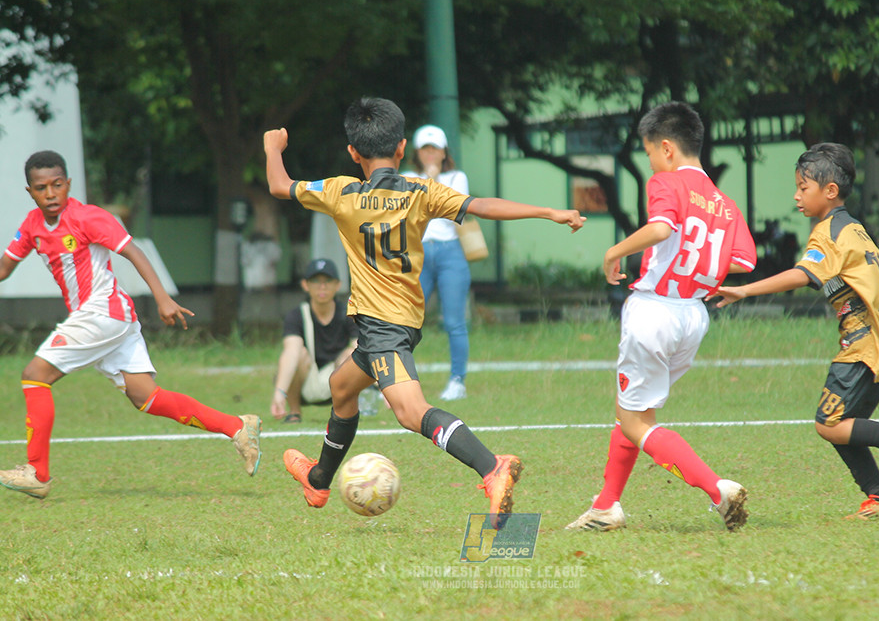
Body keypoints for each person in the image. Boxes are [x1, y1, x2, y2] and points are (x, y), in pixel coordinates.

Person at [263, 97, 584, 521]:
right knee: (342, 389)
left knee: (411, 412)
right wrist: (549, 211)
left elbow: (279, 186)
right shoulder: (420, 192)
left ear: (352, 153)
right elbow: (480, 206)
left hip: (384, 328)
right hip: (397, 323)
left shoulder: (340, 191)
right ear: (401, 148)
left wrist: (272, 148)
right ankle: (319, 481)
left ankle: (493, 467)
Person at [0, 150, 261, 500]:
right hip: (106, 319)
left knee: (35, 374)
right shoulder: (32, 225)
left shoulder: (88, 217)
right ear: (30, 191)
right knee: (146, 397)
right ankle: (237, 427)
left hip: (103, 313)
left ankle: (37, 472)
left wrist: (162, 298)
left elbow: (133, 251)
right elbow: (4, 268)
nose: (50, 193)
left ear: (69, 184)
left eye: (57, 185)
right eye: (41, 187)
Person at [713, 142, 879, 521]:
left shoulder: (829, 232)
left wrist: (744, 289)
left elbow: (802, 274)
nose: (796, 196)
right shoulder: (855, 229)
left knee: (830, 425)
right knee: (844, 425)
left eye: (802, 187)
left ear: (830, 191)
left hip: (862, 344)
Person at [566, 102, 757, 533]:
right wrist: (704, 273)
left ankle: (716, 489)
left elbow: (661, 229)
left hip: (654, 310)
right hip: (694, 315)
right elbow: (745, 261)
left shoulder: (666, 182)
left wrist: (614, 252)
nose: (650, 161)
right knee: (634, 411)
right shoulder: (724, 203)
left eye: (649, 152)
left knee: (635, 419)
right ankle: (606, 505)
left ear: (667, 148)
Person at [403, 125, 471, 401]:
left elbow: (454, 212)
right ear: (417, 153)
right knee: (406, 319)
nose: (430, 154)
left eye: (435, 149)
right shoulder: (406, 177)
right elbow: (410, 213)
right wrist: (428, 180)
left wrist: (431, 180)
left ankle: (458, 380)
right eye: (425, 149)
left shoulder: (457, 177)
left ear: (444, 152)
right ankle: (397, 379)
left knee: (454, 321)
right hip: (417, 252)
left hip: (450, 252)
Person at [271, 258, 359, 424]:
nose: (322, 287)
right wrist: (279, 392)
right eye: (316, 281)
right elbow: (291, 351)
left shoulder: (349, 313)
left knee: (352, 354)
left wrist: (383, 387)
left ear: (338, 285)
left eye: (328, 281)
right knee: (299, 353)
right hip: (304, 382)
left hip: (337, 380)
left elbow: (362, 349)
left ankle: (345, 411)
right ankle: (294, 411)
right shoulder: (296, 315)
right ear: (305, 285)